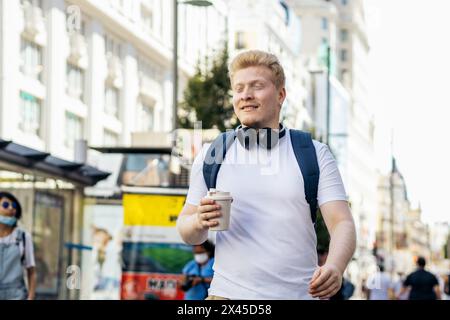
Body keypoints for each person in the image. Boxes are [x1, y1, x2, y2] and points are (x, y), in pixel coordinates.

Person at [176, 50, 356, 300]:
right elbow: (186, 230)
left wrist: (335, 267)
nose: (246, 95)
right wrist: (198, 221)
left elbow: (342, 223)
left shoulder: (313, 153)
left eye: (256, 86)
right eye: (239, 89)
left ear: (281, 95)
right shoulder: (212, 154)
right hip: (226, 297)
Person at [0, 191, 36, 300]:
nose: (11, 208)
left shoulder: (24, 237)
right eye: (5, 205)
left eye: (14, 205)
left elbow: (31, 271)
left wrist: (31, 297)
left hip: (17, 295)